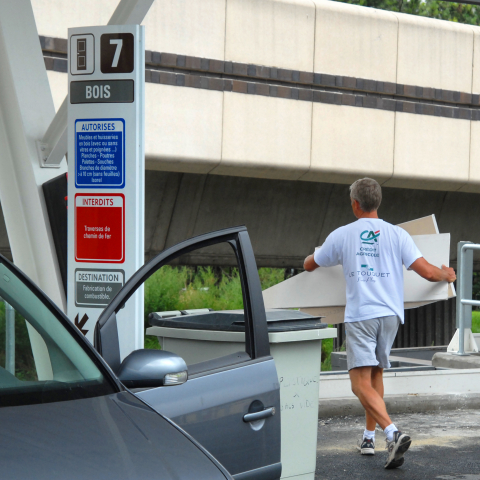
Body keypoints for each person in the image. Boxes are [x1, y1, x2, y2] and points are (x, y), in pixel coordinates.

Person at [303, 178, 456, 469]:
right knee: (375, 376)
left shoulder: (342, 235)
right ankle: (369, 438)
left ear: (354, 204)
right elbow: (426, 272)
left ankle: (392, 432)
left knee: (357, 384)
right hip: (390, 316)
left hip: (362, 315)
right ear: (378, 202)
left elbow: (312, 264)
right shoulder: (397, 234)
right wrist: (446, 275)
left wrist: (307, 259)